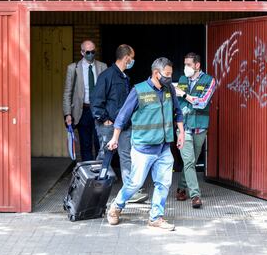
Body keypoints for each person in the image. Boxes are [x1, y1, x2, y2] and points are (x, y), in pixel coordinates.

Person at [106, 57, 185, 231]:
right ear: (156, 74)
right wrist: (115, 138)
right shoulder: (139, 90)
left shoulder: (169, 89)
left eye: (171, 74)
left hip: (164, 147)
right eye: (167, 74)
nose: (170, 78)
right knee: (134, 183)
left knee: (163, 184)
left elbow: (178, 112)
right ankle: (116, 207)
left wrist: (181, 134)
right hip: (143, 148)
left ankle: (155, 217)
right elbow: (122, 117)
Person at [91, 44, 148, 204]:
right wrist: (104, 120)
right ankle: (95, 189)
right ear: (127, 58)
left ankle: (131, 191)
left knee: (126, 155)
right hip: (109, 126)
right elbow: (96, 102)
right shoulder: (107, 76)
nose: (133, 61)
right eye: (132, 58)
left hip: (124, 125)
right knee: (105, 156)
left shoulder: (124, 77)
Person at [174, 52, 216, 208]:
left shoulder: (209, 81)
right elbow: (177, 101)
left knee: (190, 161)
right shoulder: (182, 79)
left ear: (197, 65)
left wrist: (184, 94)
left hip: (199, 127)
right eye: (185, 64)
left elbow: (203, 102)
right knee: (190, 161)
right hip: (183, 127)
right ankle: (195, 196)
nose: (186, 68)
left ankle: (181, 187)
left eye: (189, 65)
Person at [63, 40, 107, 161]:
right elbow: (67, 93)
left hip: (99, 110)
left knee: (100, 143)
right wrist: (67, 113)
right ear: (82, 52)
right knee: (85, 144)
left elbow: (107, 91)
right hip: (83, 111)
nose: (91, 55)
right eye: (88, 52)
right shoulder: (73, 68)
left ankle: (100, 173)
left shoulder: (103, 67)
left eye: (93, 52)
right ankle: (89, 173)